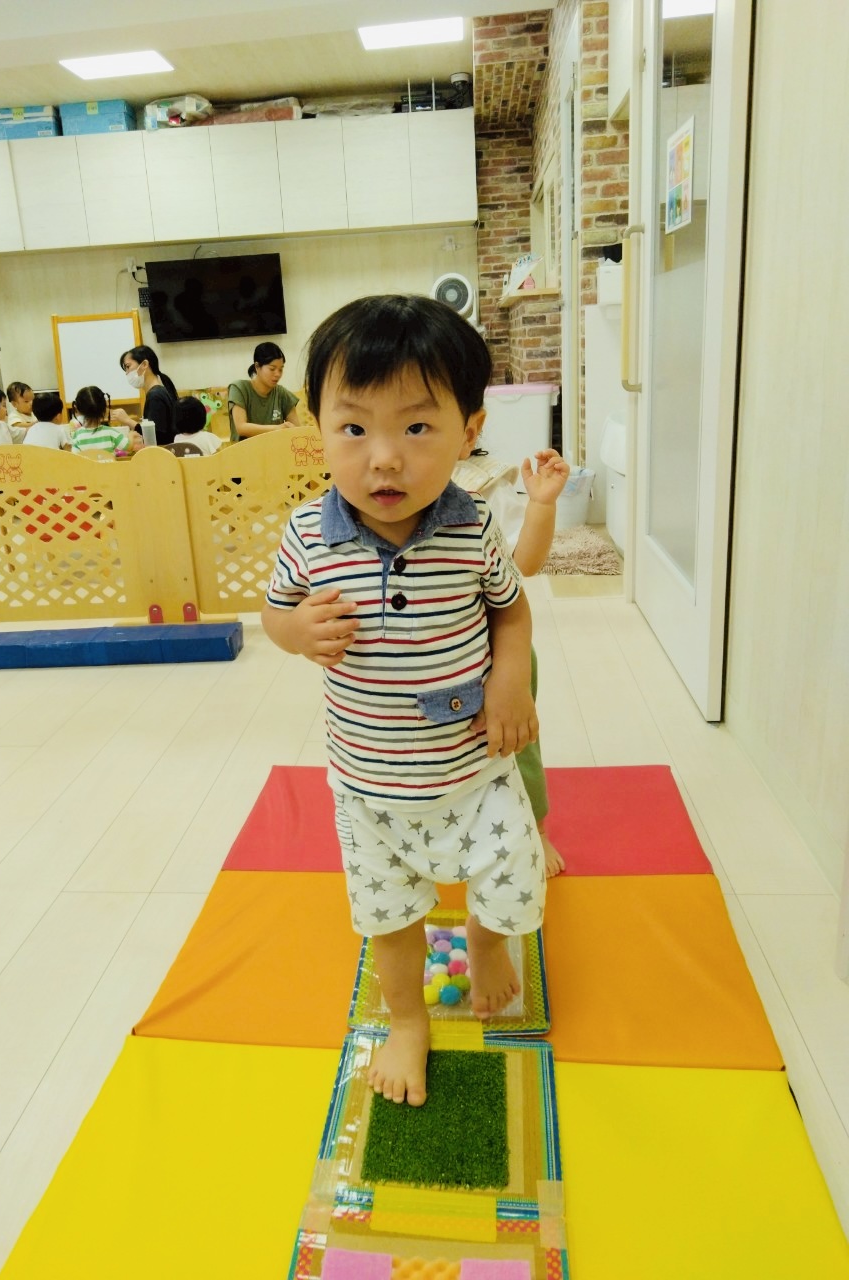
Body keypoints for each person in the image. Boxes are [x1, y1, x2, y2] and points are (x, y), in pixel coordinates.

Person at [263, 295, 545, 1108]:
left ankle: (486, 945)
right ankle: (408, 1022)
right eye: (353, 428)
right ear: (316, 428)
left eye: (417, 427)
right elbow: (274, 614)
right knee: (387, 919)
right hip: (369, 787)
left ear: (469, 429)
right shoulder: (307, 536)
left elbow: (511, 609)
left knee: (514, 884)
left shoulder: (472, 528)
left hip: (475, 772)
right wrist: (296, 632)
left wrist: (510, 678)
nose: (384, 459)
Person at [454, 444, 570, 877]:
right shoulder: (386, 482)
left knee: (516, 743)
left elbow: (525, 563)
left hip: (499, 649)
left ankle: (535, 827)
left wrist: (541, 505)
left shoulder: (481, 484)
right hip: (431, 659)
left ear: (469, 431)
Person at [228, 341, 300, 442]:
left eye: (280, 369)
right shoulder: (239, 388)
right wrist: (278, 428)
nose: (277, 374)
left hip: (275, 449)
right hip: (245, 450)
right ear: (257, 367)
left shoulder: (282, 393)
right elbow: (241, 428)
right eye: (272, 369)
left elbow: (297, 430)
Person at [110, 344, 178, 446]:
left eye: (128, 367)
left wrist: (128, 420)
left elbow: (157, 436)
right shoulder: (159, 392)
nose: (127, 373)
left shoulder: (155, 396)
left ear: (144, 364)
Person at [69, 385, 137, 456]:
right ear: (104, 408)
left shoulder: (77, 435)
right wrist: (131, 434)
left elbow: (75, 457)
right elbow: (128, 447)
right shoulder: (110, 432)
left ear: (78, 409)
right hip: (108, 463)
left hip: (86, 464)